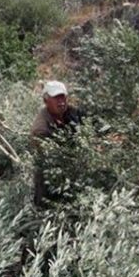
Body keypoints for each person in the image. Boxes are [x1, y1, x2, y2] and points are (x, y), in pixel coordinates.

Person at [29, 80, 83, 208]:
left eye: (62, 97)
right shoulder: (40, 130)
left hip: (72, 172)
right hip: (51, 180)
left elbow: (93, 121)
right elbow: (51, 161)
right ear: (46, 101)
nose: (61, 101)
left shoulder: (70, 111)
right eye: (56, 98)